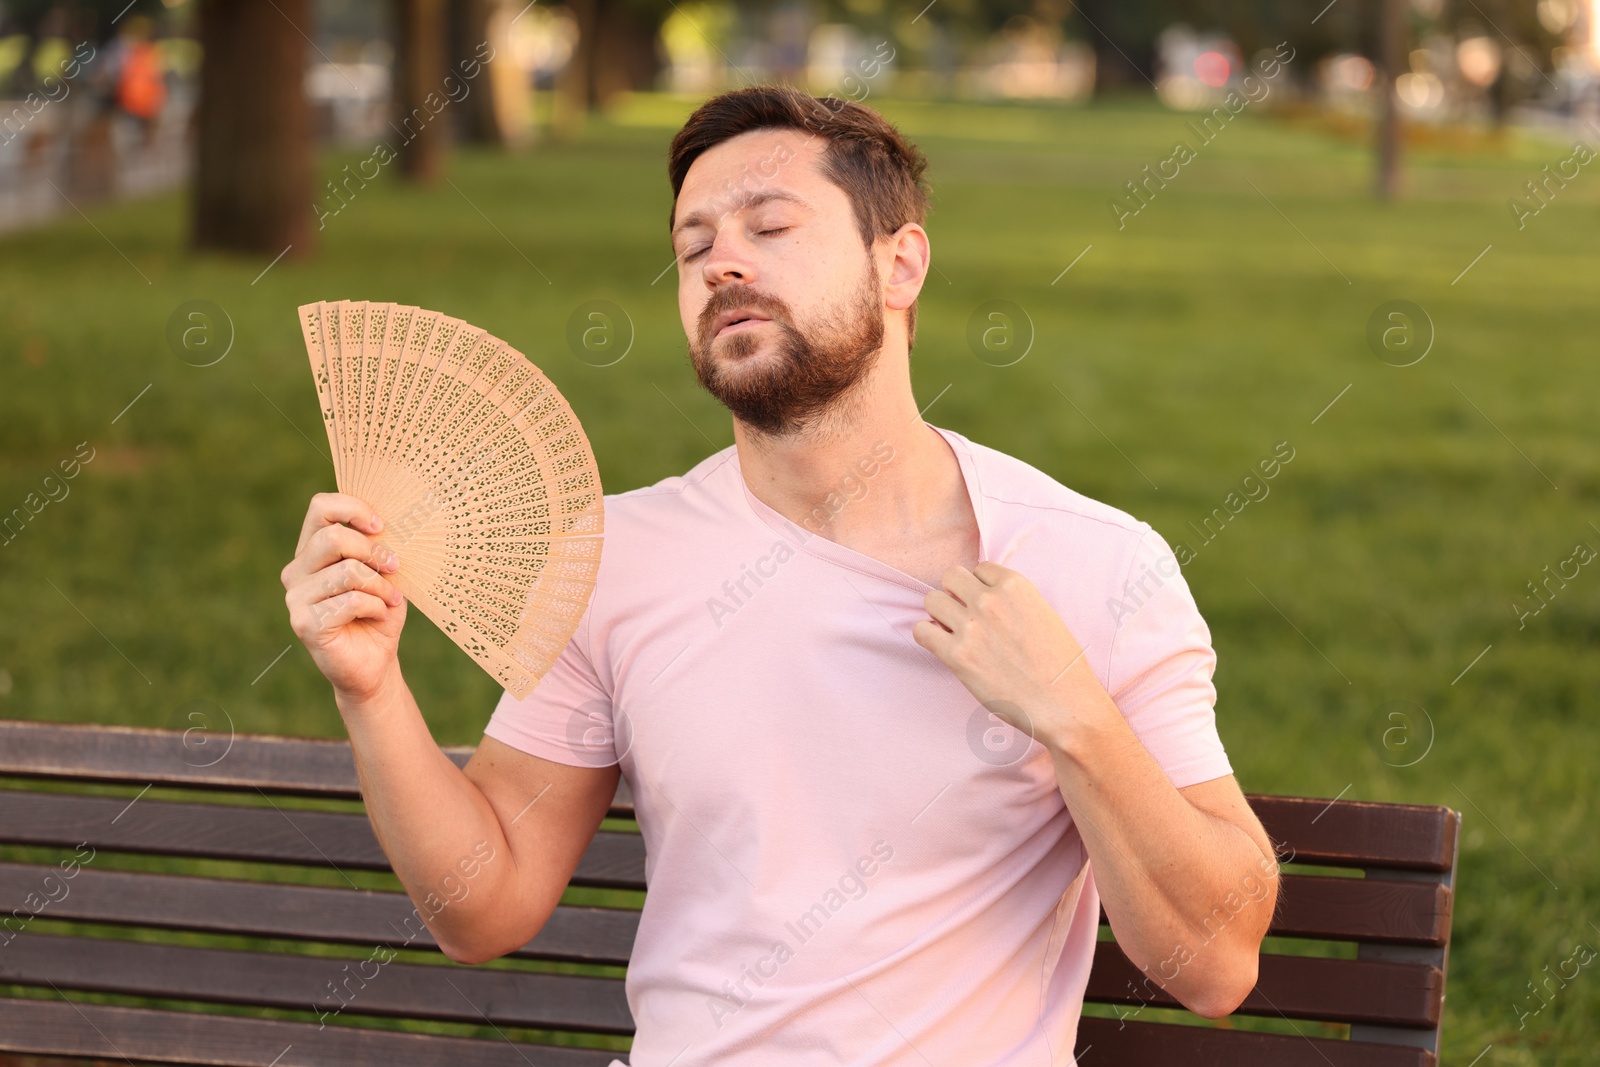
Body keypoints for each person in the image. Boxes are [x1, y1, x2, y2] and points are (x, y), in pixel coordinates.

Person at [281, 84, 1279, 1064]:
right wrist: (369, 686)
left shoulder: (1089, 561)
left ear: (900, 265)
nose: (723, 264)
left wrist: (1076, 718)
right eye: (694, 246)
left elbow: (1216, 962)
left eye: (769, 227)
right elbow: (482, 905)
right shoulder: (615, 557)